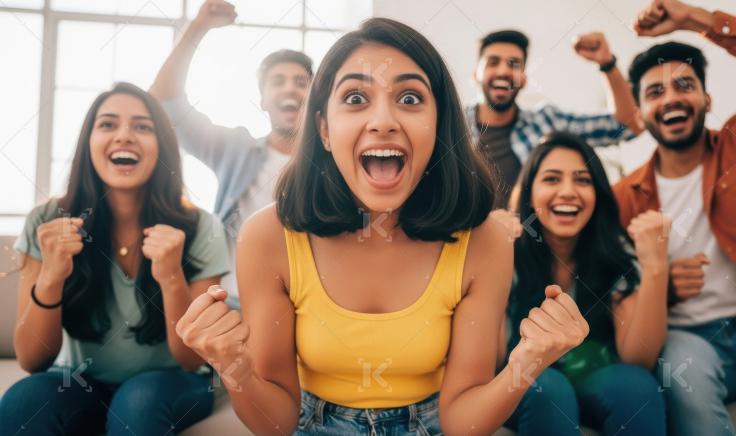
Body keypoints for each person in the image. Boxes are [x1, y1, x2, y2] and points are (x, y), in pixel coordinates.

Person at [175, 17, 589, 435]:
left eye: (410, 98)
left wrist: (526, 361)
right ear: (323, 128)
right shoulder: (268, 237)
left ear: (440, 123)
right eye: (356, 97)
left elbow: (462, 422)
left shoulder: (484, 242)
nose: (383, 120)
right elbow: (277, 423)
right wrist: (233, 366)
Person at [0, 82, 229, 435]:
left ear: (162, 147)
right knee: (24, 401)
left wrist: (170, 277)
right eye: (108, 124)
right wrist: (51, 277)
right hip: (81, 380)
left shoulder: (200, 226)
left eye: (142, 126)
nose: (124, 136)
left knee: (137, 403)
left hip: (175, 381)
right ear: (88, 142)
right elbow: (32, 360)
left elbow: (191, 358)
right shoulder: (47, 221)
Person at [614, 1, 736, 434]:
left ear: (706, 98)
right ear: (640, 115)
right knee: (685, 375)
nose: (672, 98)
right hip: (689, 342)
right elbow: (611, 293)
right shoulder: (623, 198)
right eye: (655, 92)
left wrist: (702, 21)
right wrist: (661, 291)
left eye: (684, 85)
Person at [503, 132, 668, 435]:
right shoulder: (506, 254)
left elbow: (639, 357)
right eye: (552, 179)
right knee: (549, 387)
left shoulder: (617, 254)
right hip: (529, 382)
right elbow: (489, 363)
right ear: (529, 194)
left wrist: (657, 267)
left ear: (598, 193)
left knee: (636, 385)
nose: (568, 191)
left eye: (582, 180)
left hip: (593, 378)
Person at [150, 0, 313, 305]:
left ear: (315, 97)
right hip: (231, 302)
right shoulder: (235, 149)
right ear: (263, 100)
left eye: (301, 82)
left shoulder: (332, 162)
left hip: (304, 306)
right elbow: (164, 102)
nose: (290, 89)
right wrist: (197, 29)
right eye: (278, 82)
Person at [468, 29, 645, 206]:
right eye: (493, 62)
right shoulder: (450, 123)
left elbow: (628, 125)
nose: (503, 71)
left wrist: (607, 63)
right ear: (475, 74)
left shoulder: (547, 122)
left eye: (514, 64)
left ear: (523, 79)